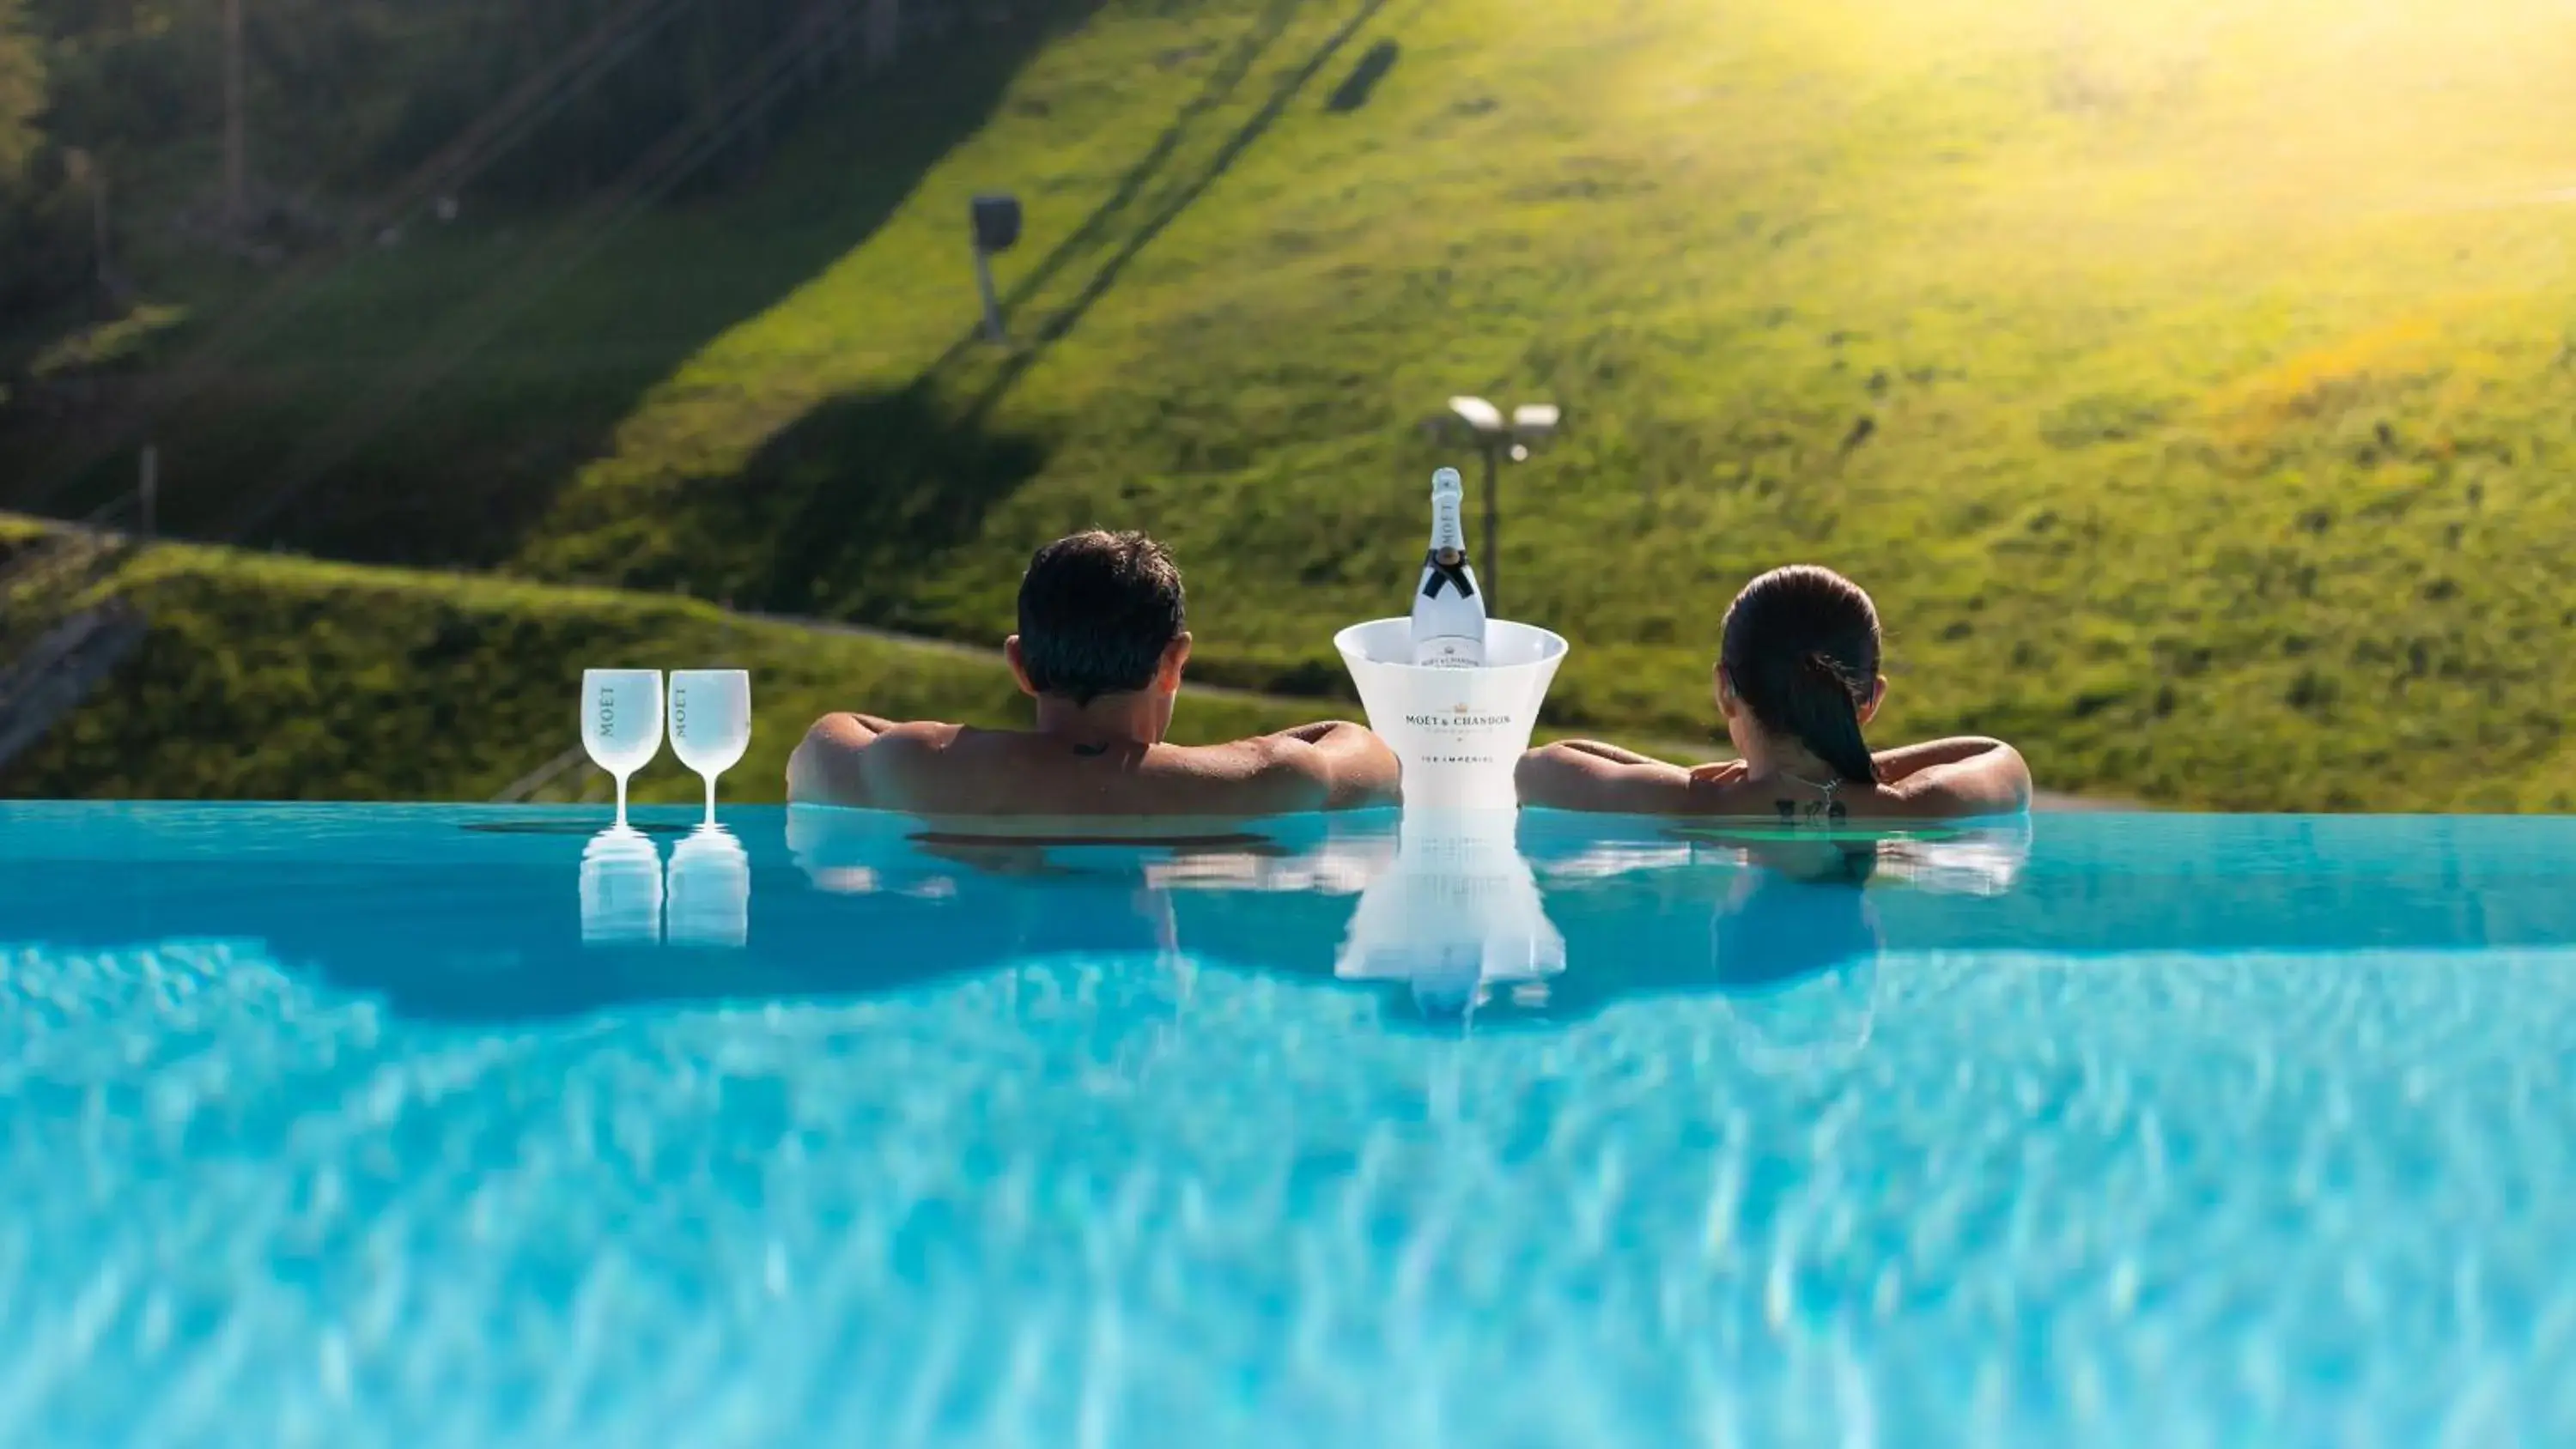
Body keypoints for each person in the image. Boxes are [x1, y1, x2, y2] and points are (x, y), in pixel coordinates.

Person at [787, 530, 1400, 825]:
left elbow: (823, 744)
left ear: (1020, 665)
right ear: (1174, 662)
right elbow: (1370, 758)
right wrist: (1220, 758)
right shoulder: (1263, 779)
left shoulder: (915, 767)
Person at [1516, 564, 2030, 821]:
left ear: (1725, 689)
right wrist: (1857, 777)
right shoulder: (1913, 810)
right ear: (1870, 699)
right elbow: (2000, 759)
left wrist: (1716, 782)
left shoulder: (1695, 807)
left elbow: (1538, 767)